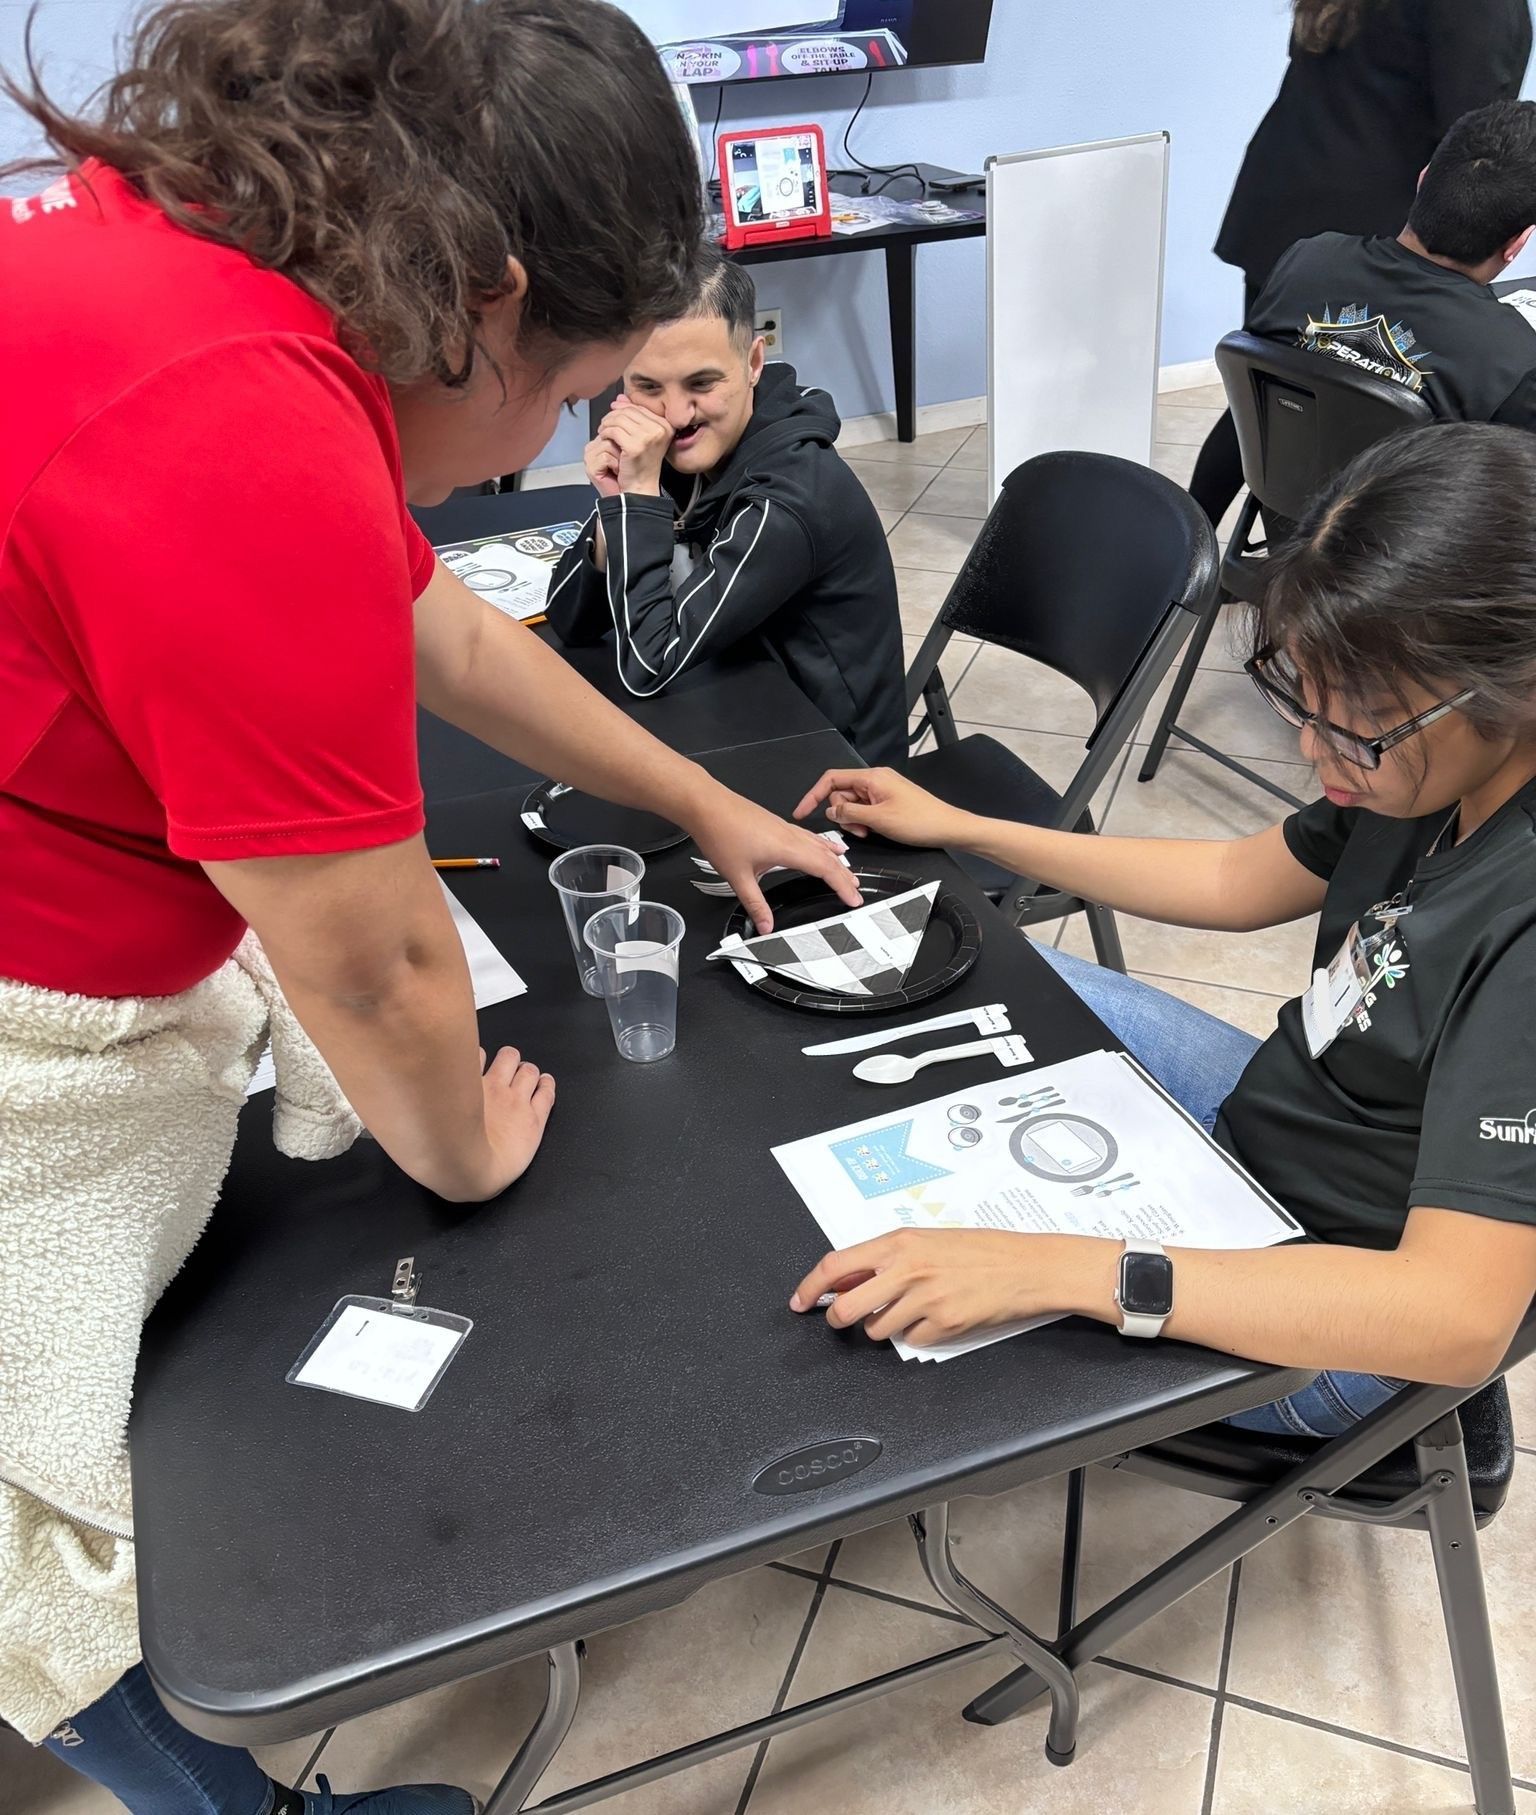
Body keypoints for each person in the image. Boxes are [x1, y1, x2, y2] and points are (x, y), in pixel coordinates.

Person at [0, 1, 857, 1810]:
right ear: (483, 290)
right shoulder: (231, 420)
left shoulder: (197, 245)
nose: (547, 450)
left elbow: (427, 618)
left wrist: (702, 798)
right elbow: (372, 958)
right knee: (35, 1505)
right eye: (564, 393)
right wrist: (466, 1149)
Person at [790, 422, 1536, 1437]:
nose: (1319, 754)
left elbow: (1454, 1319)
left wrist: (1068, 1269)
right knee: (962, 965)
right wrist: (967, 829)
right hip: (1285, 1114)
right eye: (1301, 710)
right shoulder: (1418, 767)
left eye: (1355, 726)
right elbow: (1237, 877)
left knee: (954, 1304)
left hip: (1337, 1306)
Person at [544, 247, 907, 765]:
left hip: (833, 764)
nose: (675, 414)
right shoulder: (673, 451)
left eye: (701, 383)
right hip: (735, 702)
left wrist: (641, 498)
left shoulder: (788, 500)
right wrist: (619, 508)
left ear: (754, 362)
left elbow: (649, 667)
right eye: (647, 385)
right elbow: (570, 624)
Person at [1192, 0, 1531, 530]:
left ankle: (1194, 551)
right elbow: (1479, 152)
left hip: (1290, 201)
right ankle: (1319, 567)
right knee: (1369, 414)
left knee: (1269, 388)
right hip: (1366, 215)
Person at [1245, 100, 1536, 428]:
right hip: (1404, 482)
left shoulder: (1306, 260)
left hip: (1286, 477)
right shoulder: (1514, 362)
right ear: (1517, 243)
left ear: (1423, 180)